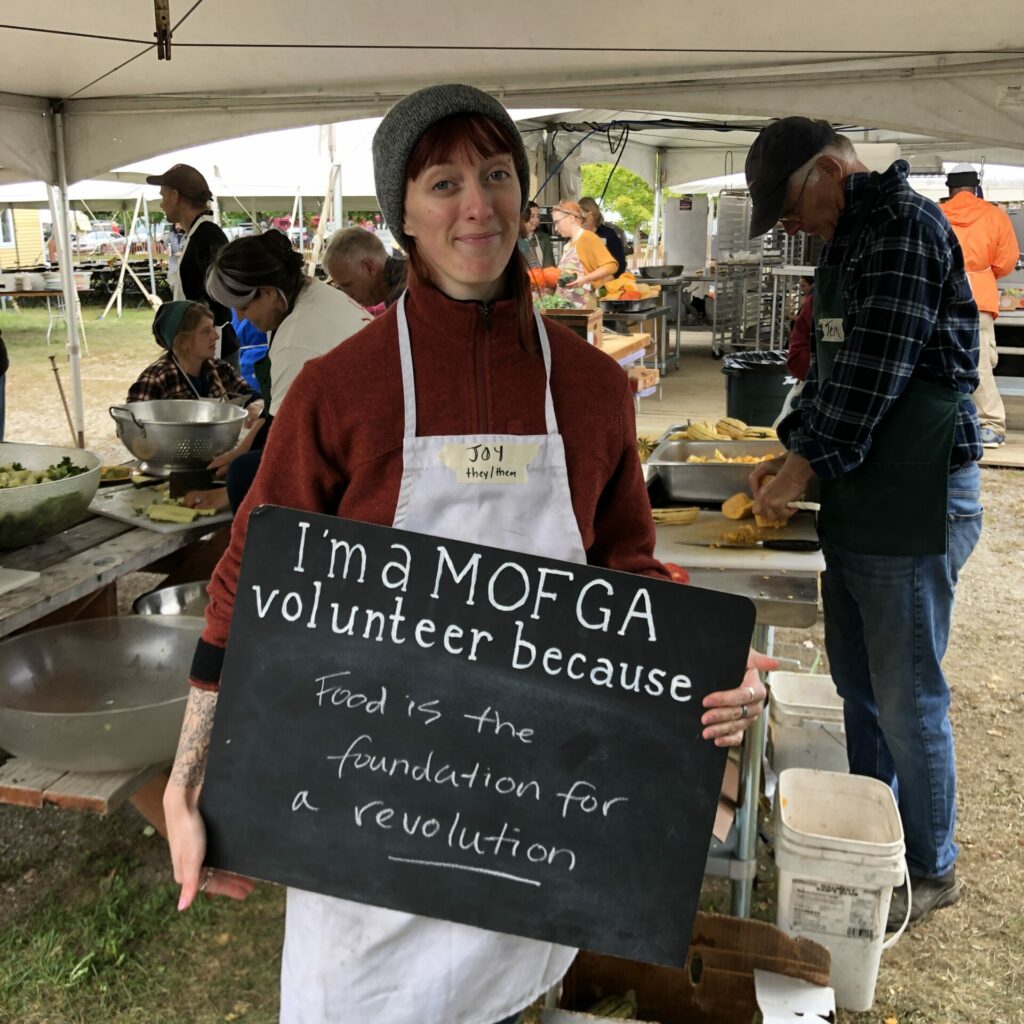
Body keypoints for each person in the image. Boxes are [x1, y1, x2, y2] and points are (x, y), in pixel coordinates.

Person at [163, 83, 773, 1024]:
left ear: (524, 198)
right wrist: (191, 769)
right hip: (365, 812)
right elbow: (253, 571)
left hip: (531, 816)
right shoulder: (340, 389)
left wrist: (702, 658)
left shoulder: (593, 390)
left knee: (521, 995)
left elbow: (624, 574)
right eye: (442, 182)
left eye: (495, 176)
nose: (475, 206)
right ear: (400, 213)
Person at [744, 118, 983, 931]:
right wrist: (785, 449)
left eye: (789, 208)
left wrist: (802, 468)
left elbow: (872, 380)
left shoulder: (904, 230)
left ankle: (928, 864)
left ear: (826, 171)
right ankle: (871, 834)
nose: (793, 227)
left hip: (913, 498)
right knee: (858, 687)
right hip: (862, 496)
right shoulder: (848, 239)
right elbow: (829, 373)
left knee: (907, 695)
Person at [187, 228, 373, 513]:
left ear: (270, 293)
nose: (239, 317)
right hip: (360, 437)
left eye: (244, 306)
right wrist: (240, 449)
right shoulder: (311, 292)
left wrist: (230, 493)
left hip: (367, 461)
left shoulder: (296, 341)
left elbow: (285, 447)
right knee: (244, 462)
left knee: (243, 475)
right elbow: (273, 415)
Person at [940, 163, 1020, 448]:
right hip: (980, 296)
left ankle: (951, 421)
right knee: (981, 361)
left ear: (949, 189)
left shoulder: (938, 214)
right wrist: (984, 272)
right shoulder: (995, 215)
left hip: (942, 294)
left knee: (944, 360)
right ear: (976, 188)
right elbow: (1006, 261)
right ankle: (991, 424)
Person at [146, 164, 239, 370]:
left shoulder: (207, 237)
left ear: (175, 196)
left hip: (213, 348)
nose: (161, 204)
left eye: (163, 196)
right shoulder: (198, 235)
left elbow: (220, 299)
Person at [127, 300, 257, 406]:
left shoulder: (219, 369)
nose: (216, 336)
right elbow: (132, 424)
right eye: (206, 331)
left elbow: (248, 394)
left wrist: (256, 404)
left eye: (213, 328)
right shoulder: (157, 379)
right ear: (181, 342)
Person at [323, 226, 408, 310]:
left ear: (369, 267)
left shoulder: (406, 296)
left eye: (347, 285)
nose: (349, 296)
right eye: (341, 288)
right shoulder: (402, 281)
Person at [550, 200, 617, 308]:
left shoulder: (587, 237)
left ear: (571, 218)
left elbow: (611, 265)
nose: (556, 228)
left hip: (583, 307)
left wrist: (585, 279)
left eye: (557, 222)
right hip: (566, 308)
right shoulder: (568, 244)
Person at [579, 197, 627, 277]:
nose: (581, 220)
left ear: (592, 215)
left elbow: (620, 263)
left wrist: (608, 279)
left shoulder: (608, 234)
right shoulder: (576, 235)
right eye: (578, 217)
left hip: (606, 283)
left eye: (583, 217)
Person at [786, 276, 814, 382]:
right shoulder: (810, 299)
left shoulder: (812, 300)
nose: (802, 289)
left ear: (812, 284)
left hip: (804, 359)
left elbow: (809, 323)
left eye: (804, 286)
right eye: (800, 286)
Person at [517, 200, 555, 270]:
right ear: (523, 216)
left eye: (538, 216)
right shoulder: (514, 239)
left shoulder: (544, 238)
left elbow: (549, 267)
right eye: (532, 216)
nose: (536, 220)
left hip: (540, 279)